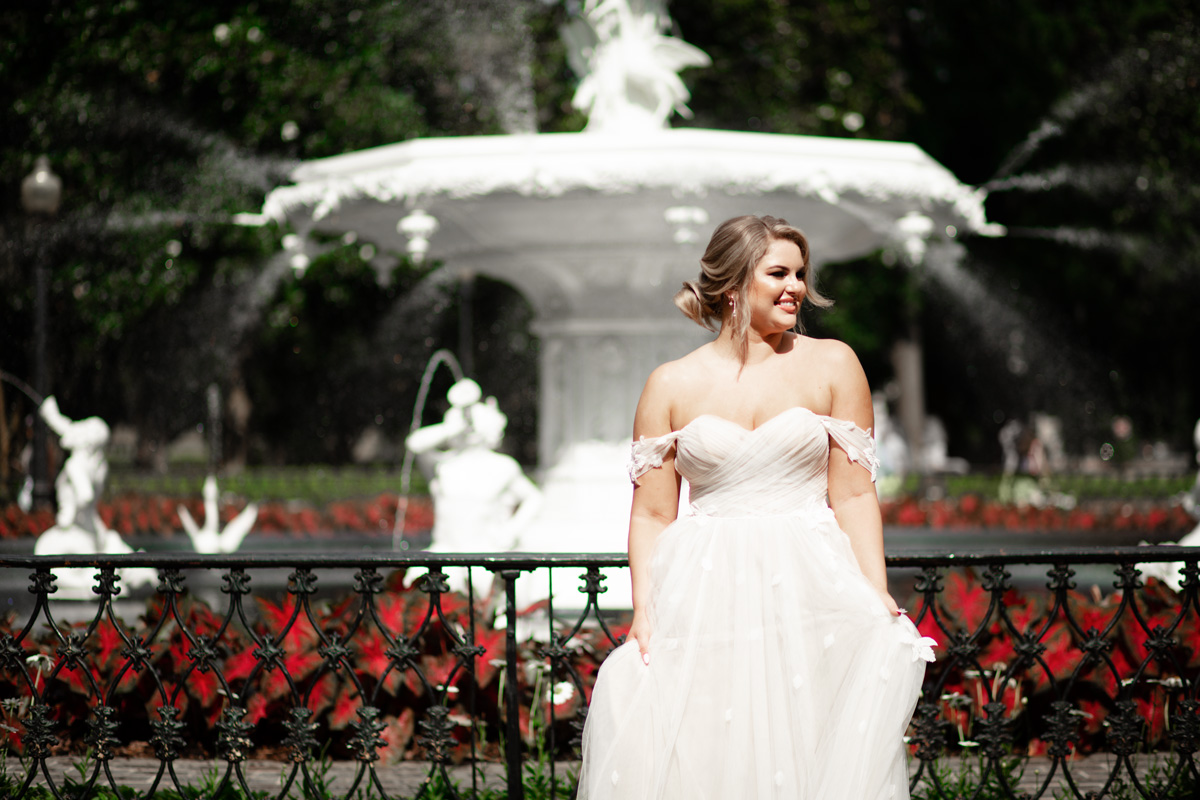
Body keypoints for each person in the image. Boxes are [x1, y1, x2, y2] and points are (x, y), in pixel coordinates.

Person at [577, 215, 935, 800]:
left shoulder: (834, 363)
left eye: (800, 273)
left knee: (811, 741)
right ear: (732, 285)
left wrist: (876, 589)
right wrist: (645, 610)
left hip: (809, 582)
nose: (795, 286)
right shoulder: (670, 383)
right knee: (707, 743)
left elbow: (852, 492)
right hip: (705, 586)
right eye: (778, 273)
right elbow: (652, 515)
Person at [405, 378, 541, 599]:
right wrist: (450, 428)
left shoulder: (502, 467)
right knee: (417, 587)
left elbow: (534, 498)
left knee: (490, 605)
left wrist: (511, 531)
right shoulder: (444, 465)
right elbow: (414, 444)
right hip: (445, 552)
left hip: (487, 553)